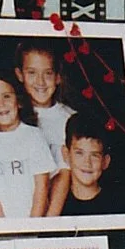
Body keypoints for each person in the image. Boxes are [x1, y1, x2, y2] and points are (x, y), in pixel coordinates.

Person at [0, 71, 58, 217]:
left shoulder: (33, 136)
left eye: (6, 96)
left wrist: (32, 228)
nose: (1, 104)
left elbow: (41, 186)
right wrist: (3, 228)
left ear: (18, 101)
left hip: (35, 223)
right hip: (5, 227)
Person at [17, 42, 76, 204]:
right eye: (32, 73)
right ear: (20, 75)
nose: (40, 82)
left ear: (58, 77)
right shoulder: (11, 115)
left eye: (48, 73)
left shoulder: (70, 118)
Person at [53, 111, 125, 216]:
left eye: (95, 155)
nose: (87, 163)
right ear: (66, 154)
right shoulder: (56, 205)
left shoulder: (119, 206)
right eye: (79, 153)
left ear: (105, 161)